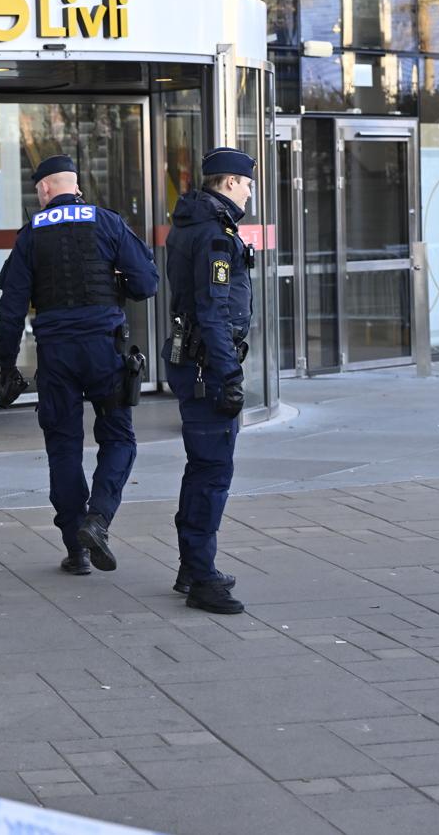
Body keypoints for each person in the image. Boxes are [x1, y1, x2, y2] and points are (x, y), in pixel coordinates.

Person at [0, 155, 158, 575]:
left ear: (45, 189)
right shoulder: (108, 222)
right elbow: (146, 284)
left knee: (63, 447)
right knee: (119, 438)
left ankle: (77, 549)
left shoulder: (31, 234)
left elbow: (11, 308)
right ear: (76, 186)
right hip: (105, 350)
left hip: (57, 355)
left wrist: (7, 364)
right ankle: (98, 520)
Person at [163, 147, 255, 615]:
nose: (249, 191)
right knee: (212, 472)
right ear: (230, 184)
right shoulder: (216, 236)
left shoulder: (188, 224)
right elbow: (214, 311)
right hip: (207, 368)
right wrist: (230, 374)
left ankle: (192, 566)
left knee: (201, 468)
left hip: (193, 362)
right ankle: (201, 578)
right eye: (246, 184)